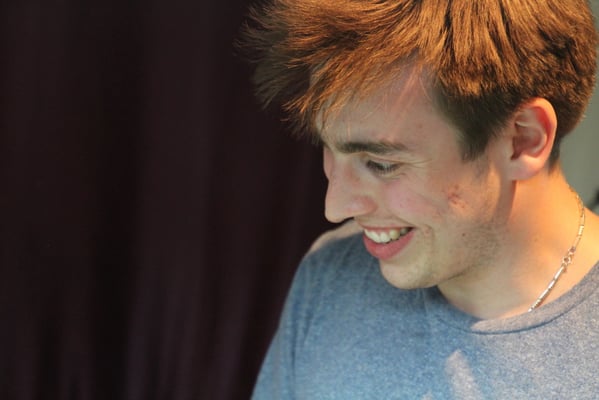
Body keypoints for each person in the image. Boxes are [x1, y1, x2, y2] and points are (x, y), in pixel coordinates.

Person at [240, 0, 599, 398]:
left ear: (523, 139)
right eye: (328, 148)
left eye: (380, 164)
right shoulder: (331, 278)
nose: (336, 207)